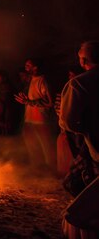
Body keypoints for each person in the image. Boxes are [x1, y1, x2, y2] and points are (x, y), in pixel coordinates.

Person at [59, 41, 99, 237]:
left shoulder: (79, 84)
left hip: (95, 153)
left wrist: (85, 129)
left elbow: (68, 122)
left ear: (83, 60)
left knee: (75, 215)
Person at [15, 58, 56, 168]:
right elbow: (33, 99)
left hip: (41, 121)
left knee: (46, 148)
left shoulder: (43, 80)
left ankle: (51, 172)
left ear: (36, 67)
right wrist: (27, 100)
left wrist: (29, 101)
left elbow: (49, 102)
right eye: (26, 65)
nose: (26, 67)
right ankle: (38, 170)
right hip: (29, 120)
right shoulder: (32, 80)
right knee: (32, 148)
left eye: (28, 65)